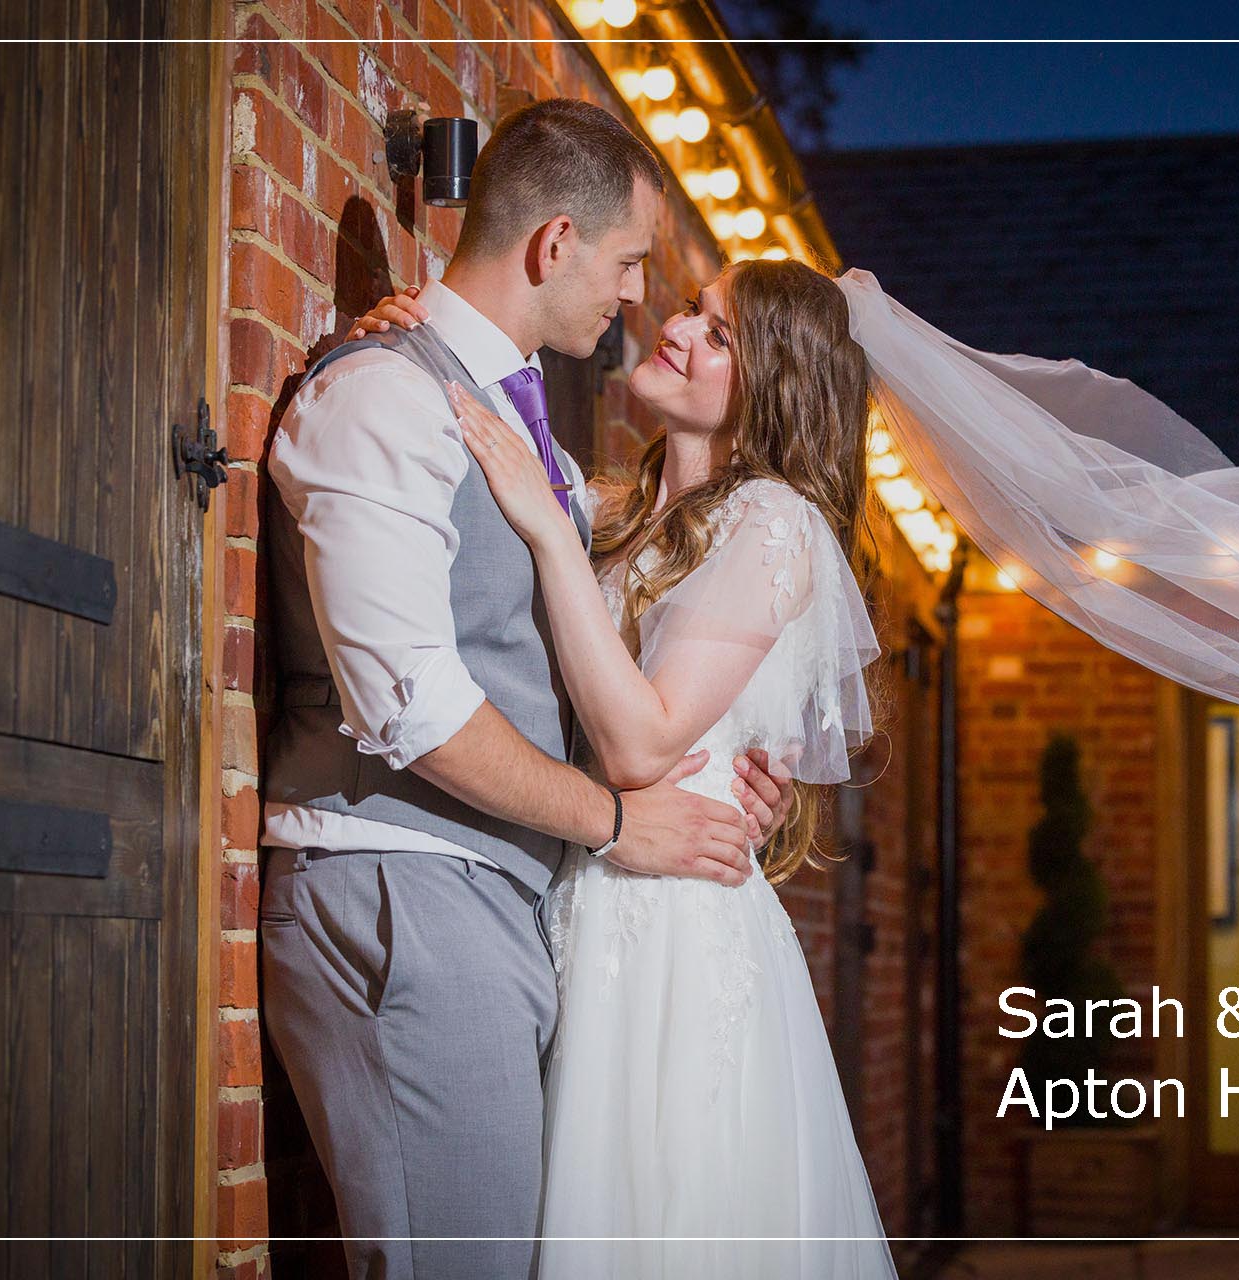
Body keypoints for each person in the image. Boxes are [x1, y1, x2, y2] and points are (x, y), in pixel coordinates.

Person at [257, 98, 799, 1280]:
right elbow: (408, 704)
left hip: (491, 901)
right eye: (629, 263)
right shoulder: (391, 395)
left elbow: (627, 607)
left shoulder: (520, 433)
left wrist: (733, 761)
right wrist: (615, 819)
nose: (637, 298)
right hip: (404, 885)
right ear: (556, 244)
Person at [355, 260, 900, 1278]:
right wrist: (408, 333)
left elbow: (643, 743)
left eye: (719, 333)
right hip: (581, 890)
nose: (678, 329)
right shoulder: (616, 506)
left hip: (672, 932)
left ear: (772, 388)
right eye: (694, 309)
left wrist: (547, 536)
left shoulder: (775, 521)